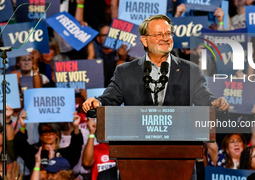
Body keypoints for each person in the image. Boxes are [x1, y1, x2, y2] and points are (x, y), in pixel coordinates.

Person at [82, 14, 229, 110]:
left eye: (168, 34)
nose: (165, 38)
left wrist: (215, 103)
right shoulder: (125, 71)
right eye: (159, 34)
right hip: (138, 148)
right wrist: (98, 103)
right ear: (144, 41)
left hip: (179, 147)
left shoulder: (190, 70)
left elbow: (204, 98)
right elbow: (110, 98)